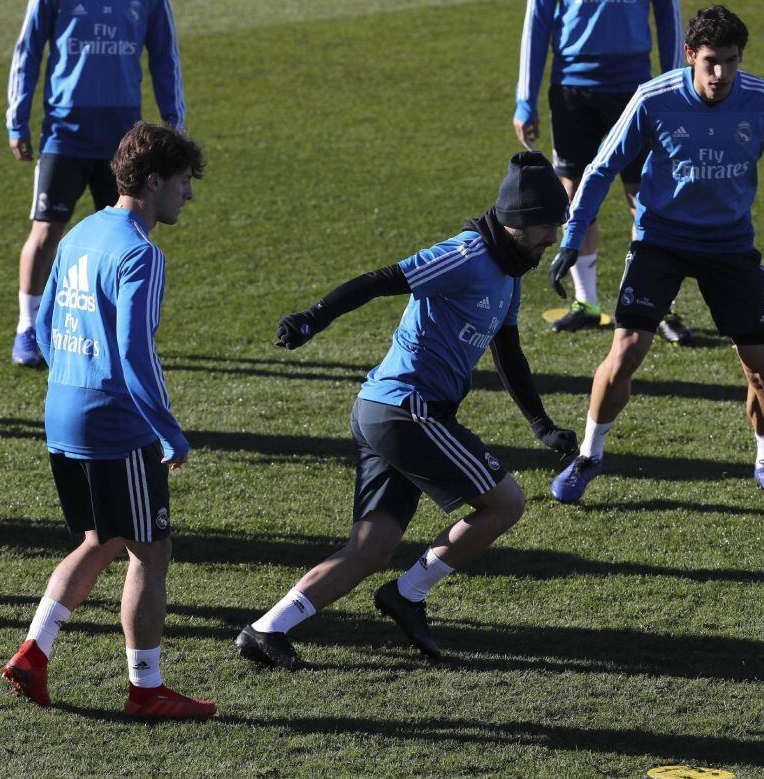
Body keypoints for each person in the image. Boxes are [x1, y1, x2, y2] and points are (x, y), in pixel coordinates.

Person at [236, 151, 578, 668]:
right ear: (519, 221)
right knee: (505, 504)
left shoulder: (508, 277)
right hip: (405, 410)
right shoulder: (467, 255)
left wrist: (540, 424)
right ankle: (408, 595)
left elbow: (508, 353)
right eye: (548, 228)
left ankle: (266, 629)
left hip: (392, 412)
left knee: (371, 548)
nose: (552, 239)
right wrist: (313, 318)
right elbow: (382, 278)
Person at [548, 5, 764, 507]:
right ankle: (588, 456)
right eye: (710, 61)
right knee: (624, 354)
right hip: (660, 241)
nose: (720, 74)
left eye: (730, 61)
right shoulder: (653, 98)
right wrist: (572, 237)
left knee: (760, 367)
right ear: (690, 55)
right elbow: (600, 169)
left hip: (730, 246)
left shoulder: (763, 100)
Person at [1, 122, 213, 720]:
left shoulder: (82, 233)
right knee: (151, 551)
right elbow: (135, 355)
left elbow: (42, 327)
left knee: (100, 537)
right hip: (117, 426)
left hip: (63, 414)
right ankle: (146, 689)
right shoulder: (140, 254)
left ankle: (34, 652)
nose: (187, 196)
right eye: (181, 183)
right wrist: (168, 429)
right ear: (153, 181)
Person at [7, 0, 185, 368]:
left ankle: (125, 334)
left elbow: (165, 55)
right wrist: (17, 119)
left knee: (129, 238)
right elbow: (29, 49)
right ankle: (27, 326)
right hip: (64, 134)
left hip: (124, 141)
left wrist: (173, 124)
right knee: (45, 231)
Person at [515, 0, 690, 340]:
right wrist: (525, 99)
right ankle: (587, 303)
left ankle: (658, 302)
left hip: (635, 88)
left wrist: (672, 86)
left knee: (647, 197)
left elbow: (669, 15)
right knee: (575, 192)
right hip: (572, 89)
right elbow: (537, 21)